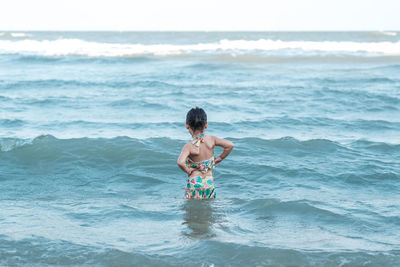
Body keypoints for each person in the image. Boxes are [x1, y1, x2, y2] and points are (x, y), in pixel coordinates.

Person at [177, 107, 234, 199]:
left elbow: (180, 162)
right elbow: (230, 145)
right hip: (209, 181)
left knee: (191, 211)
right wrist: (218, 159)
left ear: (187, 125)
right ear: (206, 125)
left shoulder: (188, 146)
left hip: (195, 181)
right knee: (208, 210)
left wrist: (188, 170)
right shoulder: (211, 139)